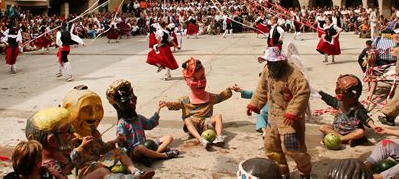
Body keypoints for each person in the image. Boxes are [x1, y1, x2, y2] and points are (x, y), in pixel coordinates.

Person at [247, 47, 312, 178]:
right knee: (271, 146)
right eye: (268, 63)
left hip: (289, 121)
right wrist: (254, 105)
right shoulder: (267, 70)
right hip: (273, 118)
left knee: (292, 148)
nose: (270, 66)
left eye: (272, 63)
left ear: (280, 62)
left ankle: (305, 170)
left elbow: (303, 92)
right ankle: (281, 172)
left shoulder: (293, 74)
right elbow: (261, 89)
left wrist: (292, 112)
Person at [63, 86, 154, 178]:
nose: (93, 115)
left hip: (98, 163)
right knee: (103, 171)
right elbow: (70, 162)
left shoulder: (94, 133)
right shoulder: (69, 137)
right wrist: (82, 146)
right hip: (85, 171)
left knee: (119, 151)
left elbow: (102, 148)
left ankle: (135, 171)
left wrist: (115, 141)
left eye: (98, 108)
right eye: (86, 110)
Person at [161, 58, 232, 148]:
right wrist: (167, 104)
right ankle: (201, 140)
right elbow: (177, 105)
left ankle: (219, 137)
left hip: (207, 124)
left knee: (218, 116)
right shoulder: (186, 100)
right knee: (187, 120)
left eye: (202, 78)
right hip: (193, 126)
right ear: (186, 81)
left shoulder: (210, 97)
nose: (199, 83)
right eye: (194, 79)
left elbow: (221, 96)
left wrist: (229, 90)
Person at [106, 80, 179, 167]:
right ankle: (163, 155)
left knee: (168, 138)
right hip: (133, 151)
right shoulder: (122, 123)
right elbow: (121, 141)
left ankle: (152, 156)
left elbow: (151, 124)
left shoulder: (138, 118)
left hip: (145, 145)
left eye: (133, 99)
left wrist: (158, 110)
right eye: (127, 100)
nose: (132, 102)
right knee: (139, 148)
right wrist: (121, 138)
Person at [318, 74, 379, 147]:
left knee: (360, 132)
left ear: (353, 96)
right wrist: (319, 93)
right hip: (337, 129)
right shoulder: (339, 103)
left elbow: (366, 119)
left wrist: (373, 126)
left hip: (351, 131)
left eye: (344, 93)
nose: (340, 96)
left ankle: (339, 138)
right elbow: (329, 99)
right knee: (322, 127)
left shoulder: (358, 109)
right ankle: (344, 139)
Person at [25, 107, 75, 177]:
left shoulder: (63, 154)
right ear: (52, 140)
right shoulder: (51, 171)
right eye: (69, 130)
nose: (74, 134)